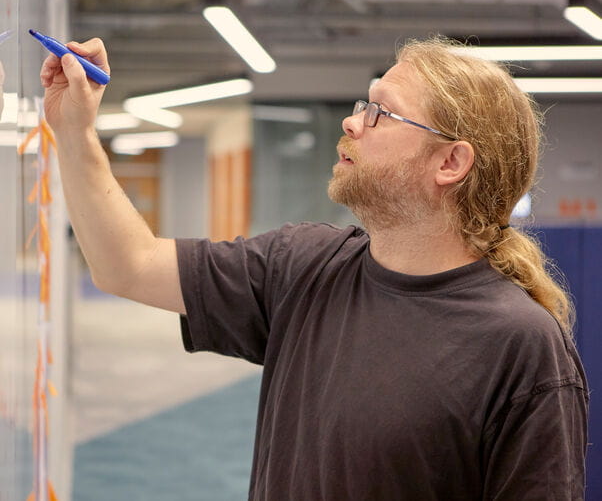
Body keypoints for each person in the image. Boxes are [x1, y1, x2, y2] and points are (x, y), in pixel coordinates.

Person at [40, 36, 589, 500]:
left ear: (450, 162)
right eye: (362, 105)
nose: (353, 123)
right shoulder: (304, 267)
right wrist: (74, 131)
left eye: (381, 111)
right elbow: (128, 266)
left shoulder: (522, 346)